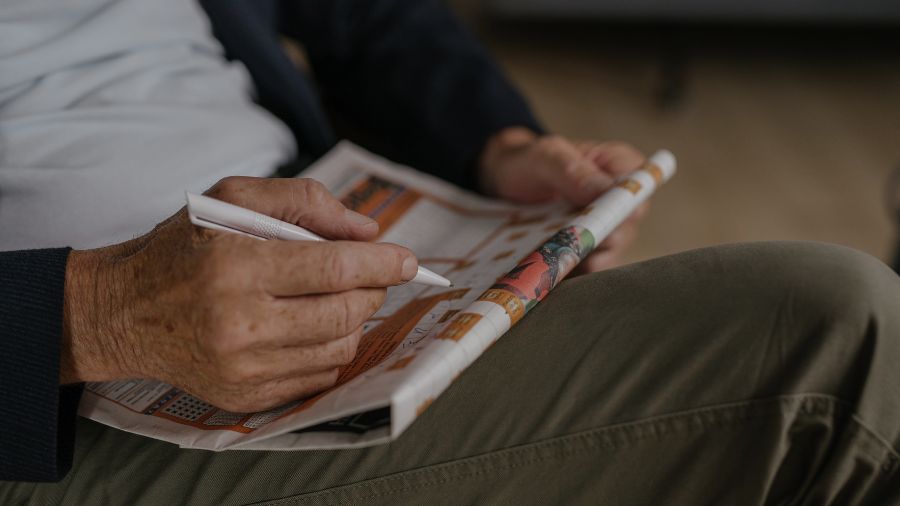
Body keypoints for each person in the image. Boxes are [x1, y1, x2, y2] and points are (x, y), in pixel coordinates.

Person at [1, 1, 898, 504]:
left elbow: (374, 15)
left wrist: (495, 145)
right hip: (60, 413)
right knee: (839, 336)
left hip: (331, 234)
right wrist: (91, 317)